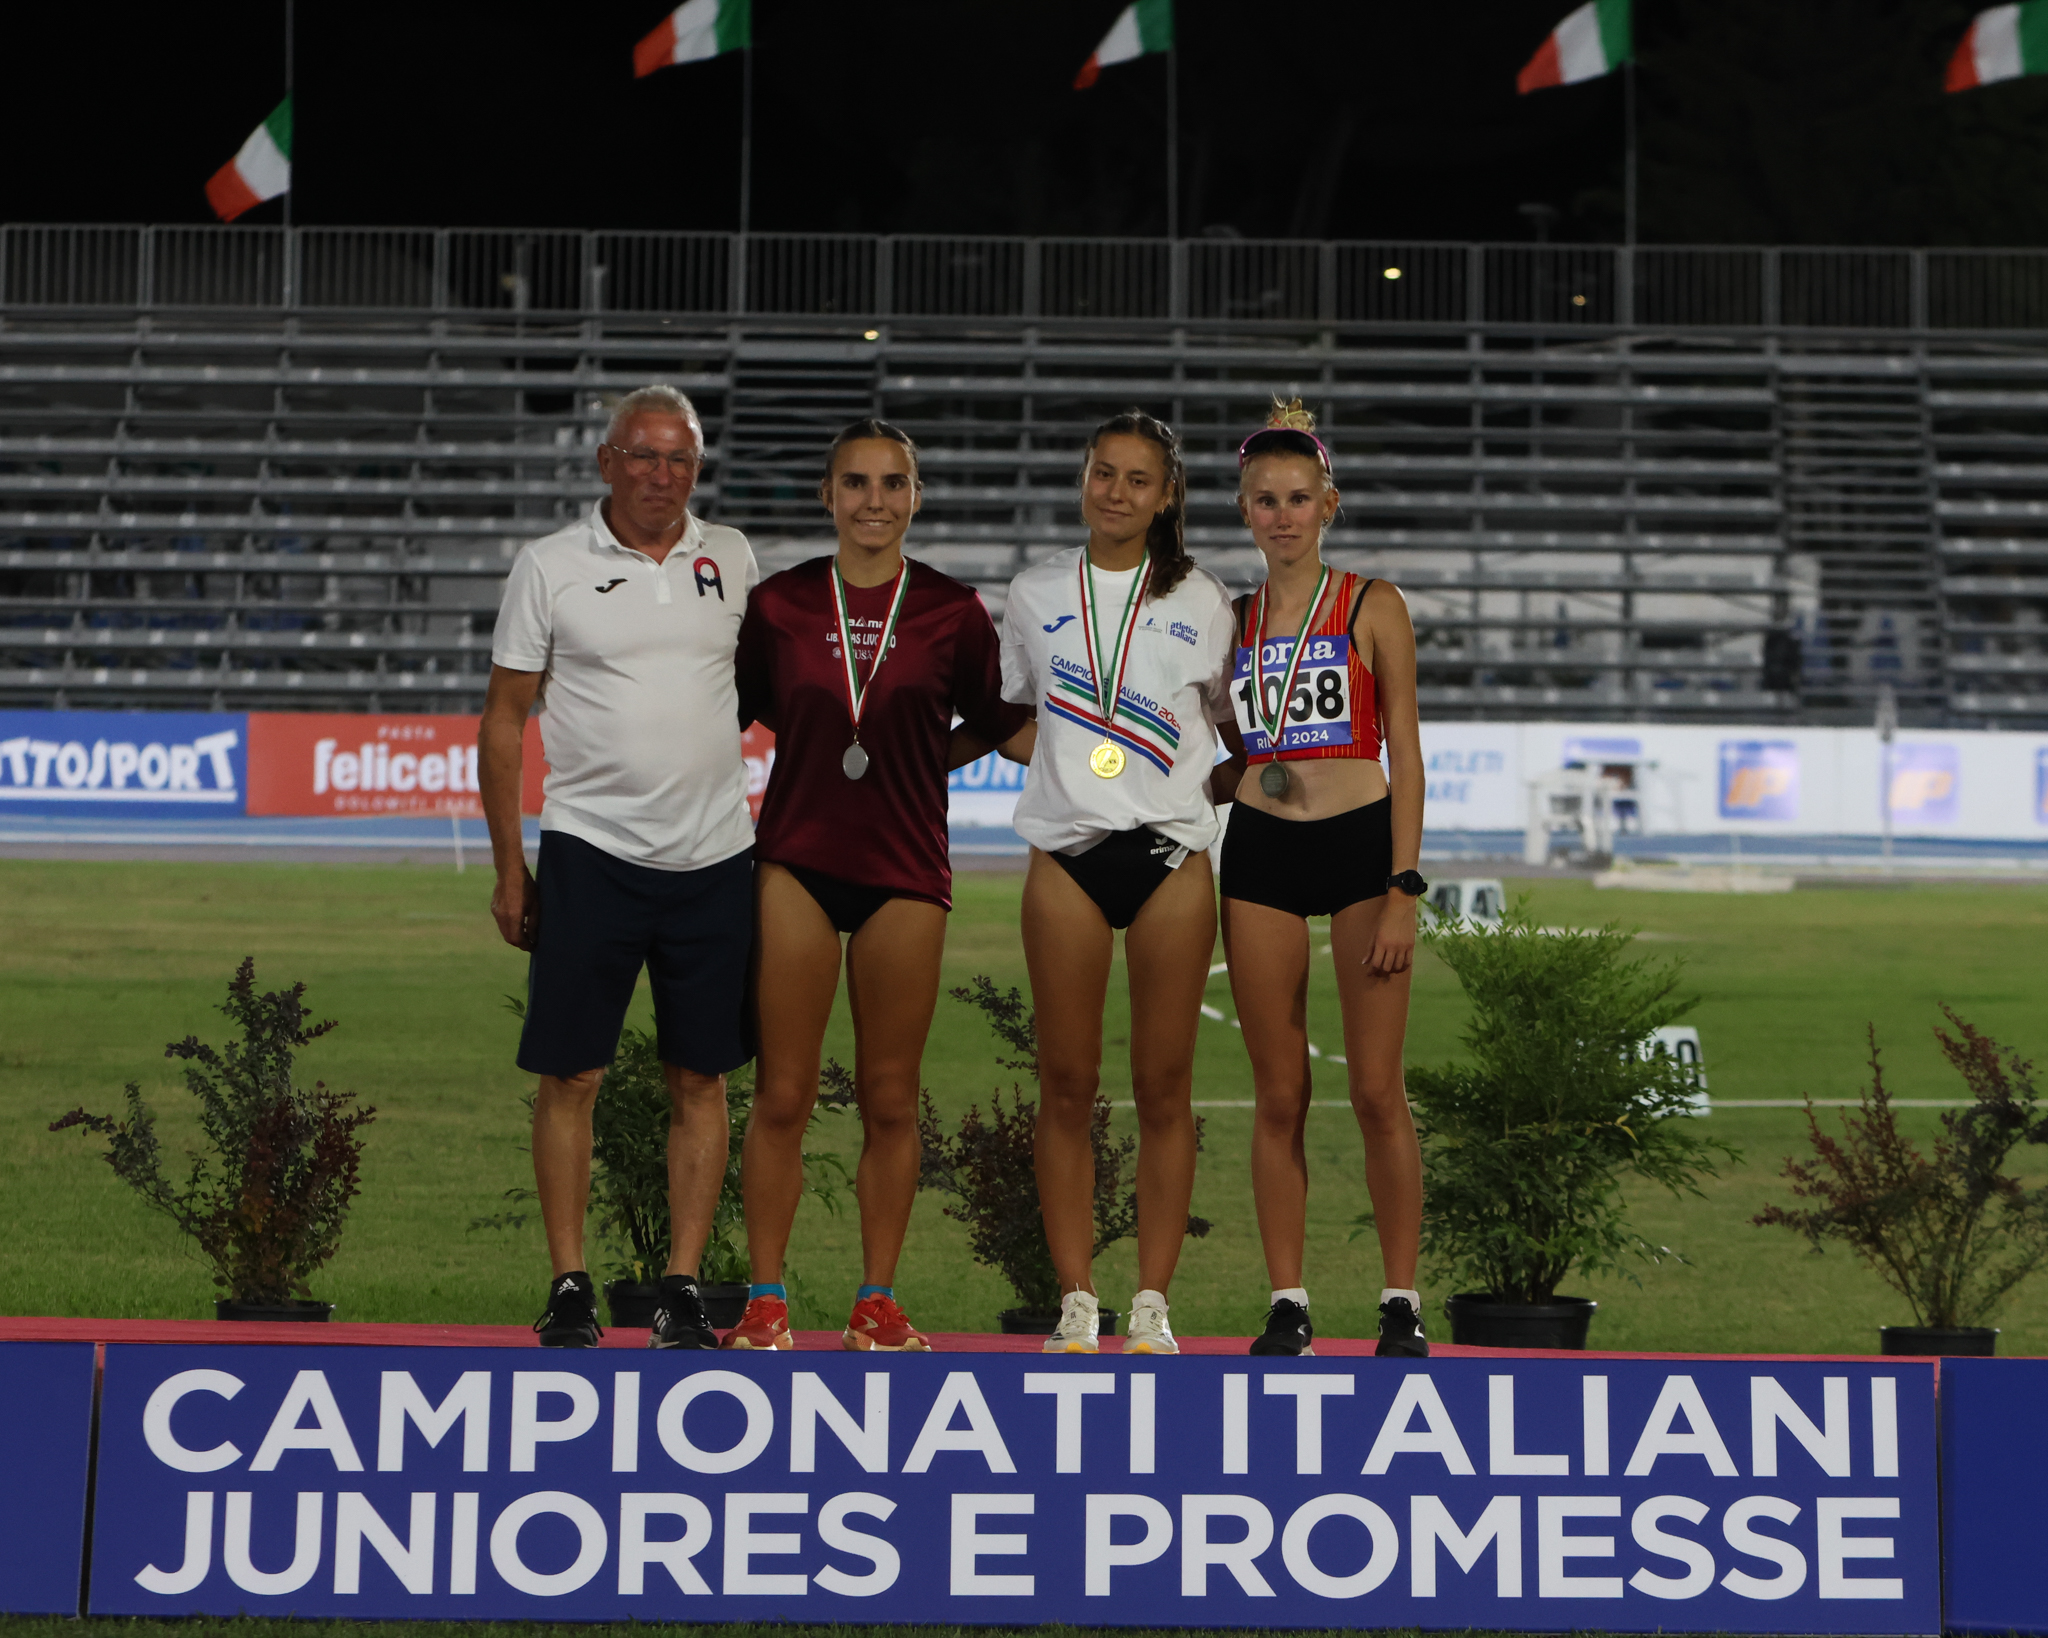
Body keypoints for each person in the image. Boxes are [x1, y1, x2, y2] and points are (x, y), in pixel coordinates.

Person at [727, 419, 1033, 1352]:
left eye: (892, 483)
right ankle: (765, 1301)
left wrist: (925, 757)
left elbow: (999, 722)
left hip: (905, 870)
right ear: (827, 495)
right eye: (855, 482)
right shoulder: (779, 604)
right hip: (797, 861)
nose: (873, 500)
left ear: (915, 496)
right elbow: (741, 708)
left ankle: (876, 1302)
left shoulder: (951, 609)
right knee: (783, 1094)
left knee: (891, 1099)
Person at [479, 384, 756, 1351]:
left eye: (679, 458)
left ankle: (683, 1287)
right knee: (572, 1075)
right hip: (591, 851)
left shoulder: (734, 556)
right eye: (643, 455)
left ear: (698, 468)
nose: (660, 475)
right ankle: (568, 1284)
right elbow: (504, 720)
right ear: (606, 461)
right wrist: (511, 869)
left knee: (703, 1078)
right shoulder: (549, 565)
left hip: (717, 855)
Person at [999, 409, 1236, 1357]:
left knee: (1165, 1086)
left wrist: (1188, 791)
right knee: (1066, 1083)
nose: (1117, 492)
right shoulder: (1032, 591)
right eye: (1104, 472)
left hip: (1171, 857)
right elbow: (1016, 718)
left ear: (1167, 496)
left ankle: (1151, 1305)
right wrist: (1075, 763)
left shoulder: (1206, 600)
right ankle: (1075, 1301)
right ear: (1084, 477)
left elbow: (1235, 732)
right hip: (1066, 856)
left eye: (1139, 479)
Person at [1215, 400, 1430, 1359]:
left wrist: (1404, 885)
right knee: (1279, 1092)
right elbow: (1230, 746)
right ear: (1244, 510)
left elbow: (1407, 754)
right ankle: (1288, 1302)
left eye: (1299, 498)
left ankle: (1401, 1300)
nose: (1282, 515)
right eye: (1265, 500)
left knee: (1377, 1089)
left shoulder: (1373, 604)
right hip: (1261, 850)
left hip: (1359, 848)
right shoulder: (1230, 620)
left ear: (1329, 504)